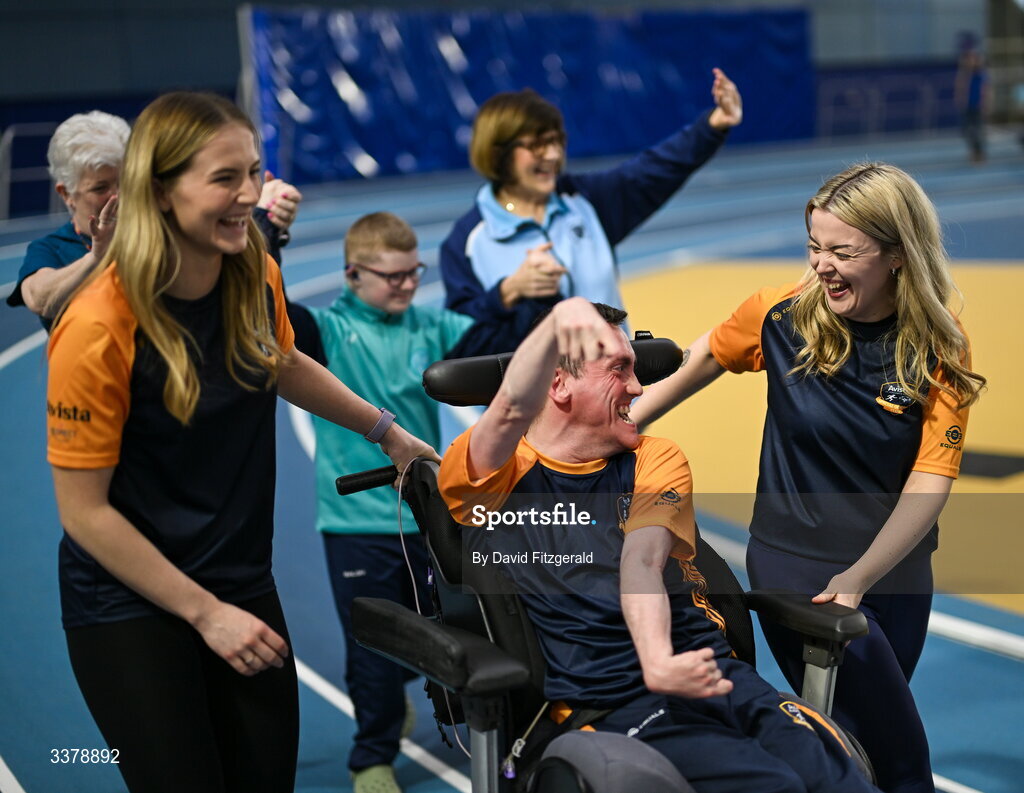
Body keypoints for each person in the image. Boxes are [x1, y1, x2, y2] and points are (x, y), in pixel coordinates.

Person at [45, 92, 436, 793]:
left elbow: (280, 359)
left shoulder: (251, 266)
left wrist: (389, 433)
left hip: (237, 574)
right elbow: (84, 513)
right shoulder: (98, 323)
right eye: (225, 178)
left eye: (254, 172)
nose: (250, 195)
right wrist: (204, 613)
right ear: (161, 191)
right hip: (133, 602)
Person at [632, 163, 986, 793]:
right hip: (798, 569)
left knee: (863, 741)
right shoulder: (779, 316)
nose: (821, 265)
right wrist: (600, 434)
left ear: (899, 255)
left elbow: (930, 481)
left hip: (897, 573)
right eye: (814, 246)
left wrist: (863, 575)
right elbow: (697, 360)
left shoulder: (938, 345)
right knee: (901, 761)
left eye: (843, 251)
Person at [438, 298, 881, 793]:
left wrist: (662, 662)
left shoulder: (655, 457)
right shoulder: (493, 475)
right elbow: (510, 410)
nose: (637, 386)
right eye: (618, 369)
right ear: (559, 384)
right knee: (772, 785)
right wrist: (559, 321)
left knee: (839, 781)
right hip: (616, 702)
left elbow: (642, 561)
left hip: (713, 673)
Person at [282, 211, 489, 793]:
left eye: (413, 273)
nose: (406, 285)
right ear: (352, 275)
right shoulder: (324, 331)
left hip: (426, 515)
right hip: (353, 523)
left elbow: (492, 343)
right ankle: (371, 755)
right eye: (392, 276)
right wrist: (270, 238)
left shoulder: (432, 325)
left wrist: (516, 296)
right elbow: (264, 311)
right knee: (371, 645)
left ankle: (458, 722)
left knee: (444, 628)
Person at [440, 68, 743, 355]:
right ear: (498, 153)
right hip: (535, 406)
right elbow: (460, 340)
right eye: (537, 146)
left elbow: (654, 169)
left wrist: (713, 125)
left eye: (557, 141)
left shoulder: (586, 201)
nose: (554, 155)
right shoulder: (467, 241)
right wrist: (507, 293)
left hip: (615, 394)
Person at [7, 110, 302, 330]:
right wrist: (99, 256)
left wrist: (267, 219)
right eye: (100, 188)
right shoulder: (52, 250)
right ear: (66, 194)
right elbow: (41, 298)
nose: (118, 196)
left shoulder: (167, 224)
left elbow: (242, 277)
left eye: (126, 180)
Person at [954, 40, 989, 164]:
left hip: (977, 106)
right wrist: (960, 100)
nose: (970, 61)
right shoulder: (965, 74)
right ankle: (974, 152)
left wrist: (985, 104)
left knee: (978, 131)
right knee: (967, 131)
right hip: (968, 106)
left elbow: (985, 90)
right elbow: (960, 87)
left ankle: (979, 154)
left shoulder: (980, 74)